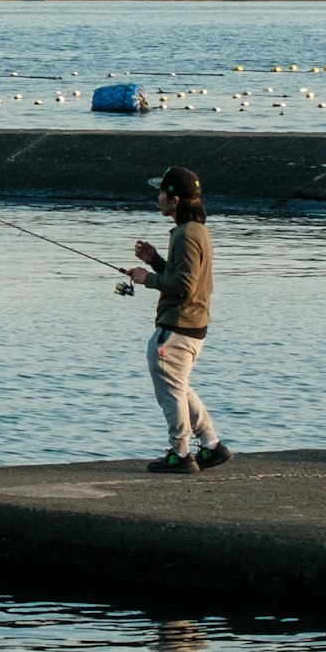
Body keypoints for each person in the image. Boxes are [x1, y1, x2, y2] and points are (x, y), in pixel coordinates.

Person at [128, 167, 227, 474]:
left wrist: (148, 279)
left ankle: (181, 453)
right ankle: (211, 445)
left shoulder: (186, 235)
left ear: (174, 199)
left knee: (171, 391)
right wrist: (155, 261)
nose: (158, 198)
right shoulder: (197, 230)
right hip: (194, 326)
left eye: (161, 193)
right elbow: (185, 275)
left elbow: (183, 285)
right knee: (180, 387)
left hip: (177, 328)